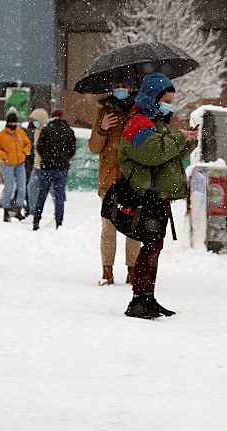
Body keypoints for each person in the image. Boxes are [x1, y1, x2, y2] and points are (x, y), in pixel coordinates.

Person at [119, 72, 197, 319]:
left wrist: (187, 141)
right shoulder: (137, 122)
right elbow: (152, 153)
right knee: (151, 245)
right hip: (145, 196)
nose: (169, 105)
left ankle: (147, 297)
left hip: (156, 195)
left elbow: (168, 155)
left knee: (154, 245)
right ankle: (139, 299)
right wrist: (178, 138)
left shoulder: (154, 122)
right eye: (167, 100)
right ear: (153, 98)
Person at [89, 82, 142, 286]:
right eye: (117, 86)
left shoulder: (139, 112)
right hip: (109, 179)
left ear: (132, 88)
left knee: (133, 226)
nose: (121, 90)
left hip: (133, 178)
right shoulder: (104, 112)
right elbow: (94, 147)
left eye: (125, 86)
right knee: (108, 227)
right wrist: (102, 129)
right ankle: (107, 270)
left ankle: (133, 269)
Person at [32, 110, 76, 230]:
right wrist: (64, 158)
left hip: (47, 167)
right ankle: (59, 221)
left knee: (42, 195)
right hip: (61, 168)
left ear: (52, 118)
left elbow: (39, 147)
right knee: (59, 196)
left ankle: (36, 220)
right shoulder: (69, 131)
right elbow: (72, 150)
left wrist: (47, 158)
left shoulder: (46, 130)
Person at [0, 112, 31, 222]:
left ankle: (18, 210)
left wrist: (24, 152)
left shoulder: (20, 132)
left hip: (20, 164)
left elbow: (28, 144)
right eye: (12, 123)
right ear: (8, 123)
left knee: (22, 187)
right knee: (9, 188)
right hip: (8, 165)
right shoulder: (2, 135)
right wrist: (3, 155)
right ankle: (6, 211)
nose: (14, 125)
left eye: (15, 123)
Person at [25, 108, 50, 216]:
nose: (32, 123)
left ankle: (57, 216)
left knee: (52, 192)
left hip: (46, 166)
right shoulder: (34, 132)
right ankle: (33, 212)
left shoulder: (47, 132)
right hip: (36, 166)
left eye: (35, 120)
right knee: (31, 188)